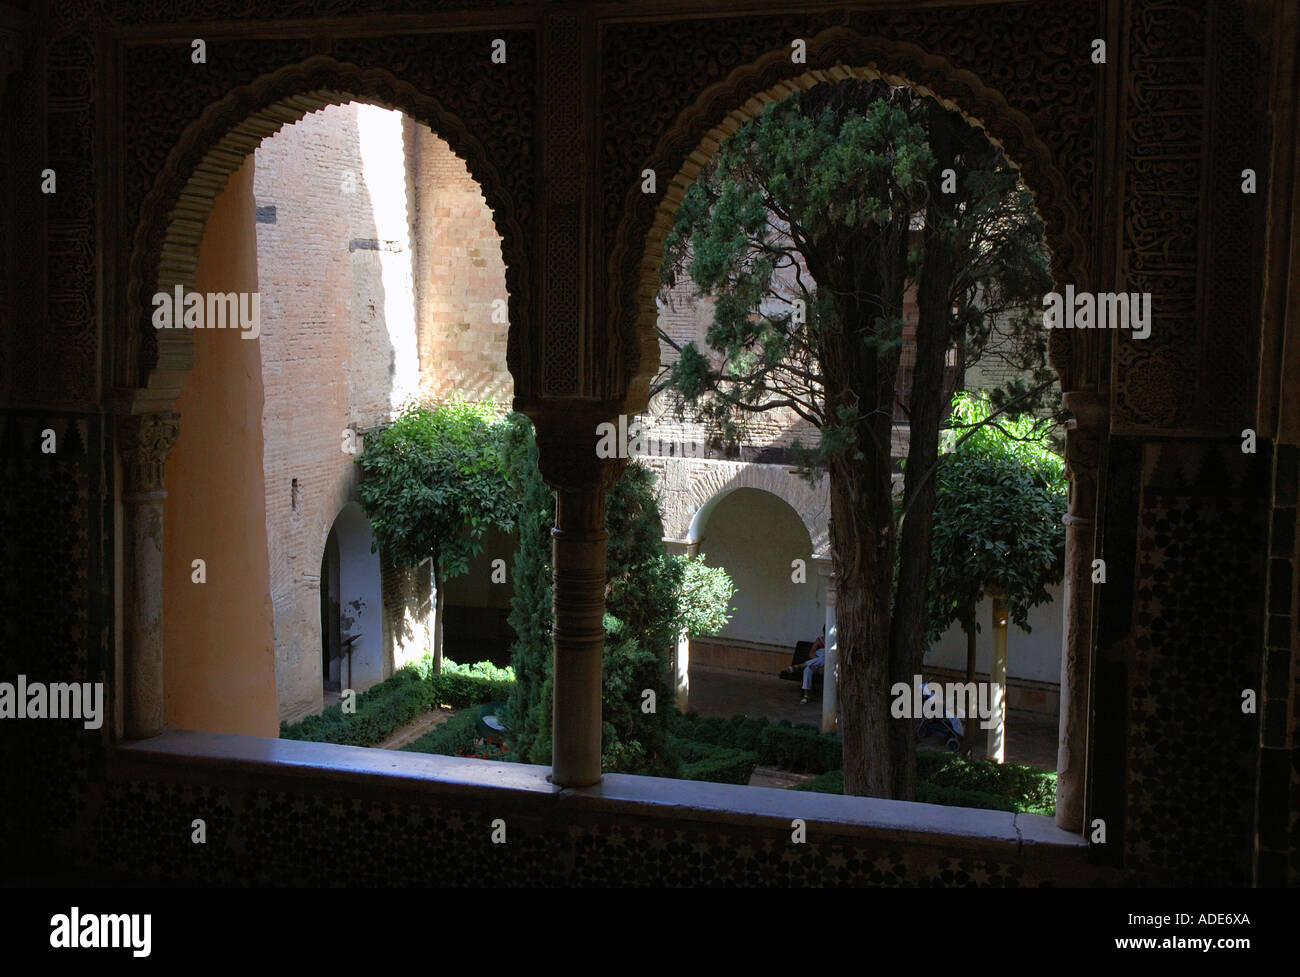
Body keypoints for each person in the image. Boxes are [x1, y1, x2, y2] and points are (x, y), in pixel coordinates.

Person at [800, 627, 826, 704]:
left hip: (827, 668)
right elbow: (811, 653)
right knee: (807, 669)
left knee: (824, 657)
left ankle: (798, 666)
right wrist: (817, 661)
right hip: (817, 665)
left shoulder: (836, 641)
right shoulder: (819, 640)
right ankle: (806, 696)